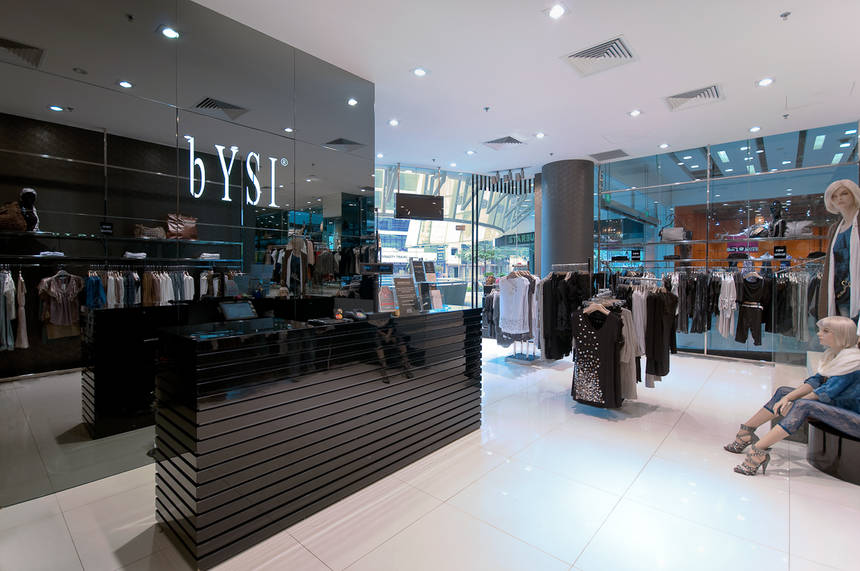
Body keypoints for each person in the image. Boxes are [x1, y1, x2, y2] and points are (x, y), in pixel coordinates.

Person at [724, 316, 860, 476]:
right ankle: (746, 432)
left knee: (803, 405)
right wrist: (787, 398)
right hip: (837, 406)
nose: (819, 334)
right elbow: (815, 381)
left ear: (841, 335)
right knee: (783, 391)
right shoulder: (833, 355)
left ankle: (758, 451)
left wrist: (794, 402)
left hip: (854, 418)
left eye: (826, 331)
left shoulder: (851, 363)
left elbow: (825, 392)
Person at [818, 179, 860, 324]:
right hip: (840, 291)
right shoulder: (835, 229)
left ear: (854, 194)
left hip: (856, 288)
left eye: (844, 194)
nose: (839, 199)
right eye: (834, 196)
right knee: (844, 332)